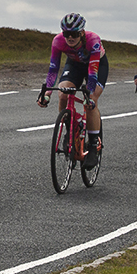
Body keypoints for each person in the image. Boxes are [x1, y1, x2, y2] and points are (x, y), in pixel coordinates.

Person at [38, 13, 108, 169]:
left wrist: (89, 93)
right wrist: (47, 93)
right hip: (74, 65)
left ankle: (93, 146)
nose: (70, 38)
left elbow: (92, 72)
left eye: (74, 34)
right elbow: (53, 68)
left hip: (96, 66)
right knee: (63, 93)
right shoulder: (57, 41)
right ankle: (70, 132)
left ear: (82, 32)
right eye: (66, 34)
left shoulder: (93, 41)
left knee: (91, 100)